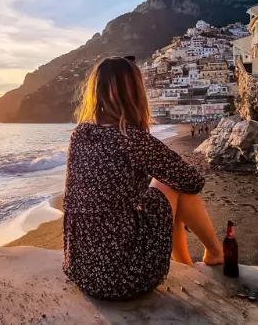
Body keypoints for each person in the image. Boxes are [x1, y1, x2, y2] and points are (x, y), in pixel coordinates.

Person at [63, 57, 224, 300]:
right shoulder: (132, 139)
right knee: (171, 184)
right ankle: (214, 252)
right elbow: (192, 181)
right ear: (136, 93)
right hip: (125, 277)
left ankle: (186, 263)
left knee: (156, 194)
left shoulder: (80, 135)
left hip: (81, 270)